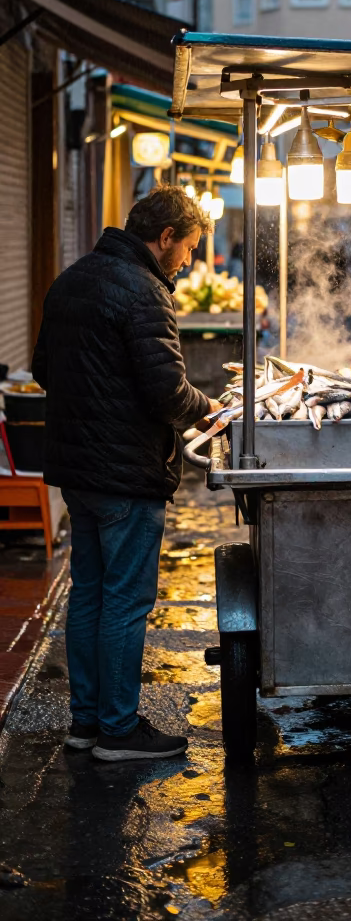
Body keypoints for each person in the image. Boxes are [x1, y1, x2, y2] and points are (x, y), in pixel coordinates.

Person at [31, 187, 223, 762]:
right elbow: (167, 392)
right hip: (124, 473)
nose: (187, 262)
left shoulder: (72, 279)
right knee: (124, 600)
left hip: (78, 475)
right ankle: (118, 730)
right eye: (186, 249)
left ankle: (84, 723)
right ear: (164, 239)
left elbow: (44, 368)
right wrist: (210, 409)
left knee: (88, 594)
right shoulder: (144, 291)